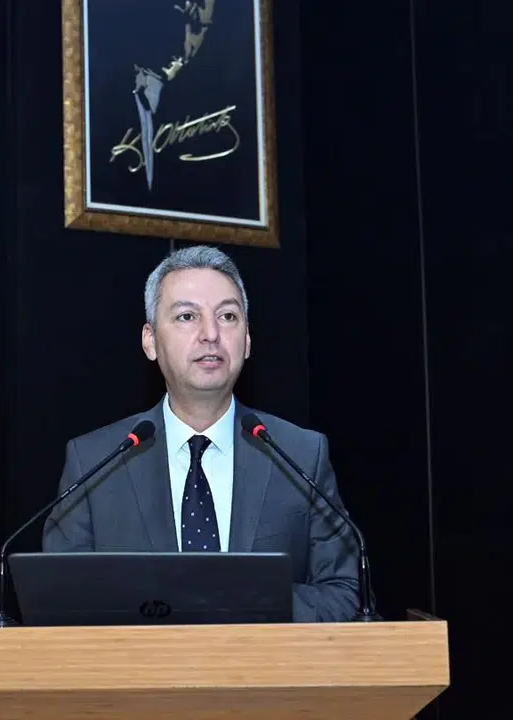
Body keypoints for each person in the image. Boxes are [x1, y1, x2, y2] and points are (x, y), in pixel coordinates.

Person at [41, 245, 362, 623]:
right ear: (150, 340)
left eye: (227, 316)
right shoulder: (93, 463)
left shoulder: (301, 454)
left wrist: (238, 601)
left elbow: (345, 593)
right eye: (187, 316)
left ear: (247, 340)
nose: (210, 334)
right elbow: (59, 602)